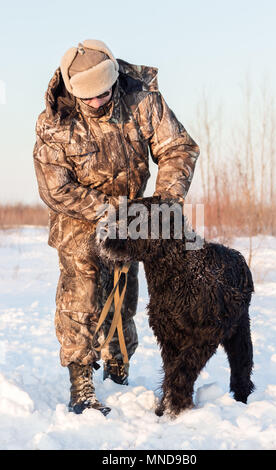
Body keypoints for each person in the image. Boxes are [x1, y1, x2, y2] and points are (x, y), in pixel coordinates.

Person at [33, 39, 200, 415]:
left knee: (124, 297)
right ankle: (81, 382)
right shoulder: (54, 124)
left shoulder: (142, 99)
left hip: (132, 214)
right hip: (80, 215)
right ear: (74, 91)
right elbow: (55, 188)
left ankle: (118, 362)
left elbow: (178, 148)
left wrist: (164, 204)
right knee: (84, 291)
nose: (97, 102)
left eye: (104, 93)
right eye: (88, 98)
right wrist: (112, 212)